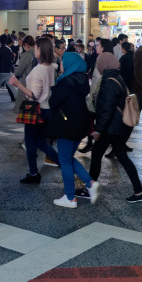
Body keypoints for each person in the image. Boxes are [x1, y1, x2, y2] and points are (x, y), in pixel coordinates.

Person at [89, 53, 142, 203]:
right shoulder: (118, 77)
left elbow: (106, 109)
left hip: (110, 127)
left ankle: (90, 186)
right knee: (122, 157)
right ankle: (139, 191)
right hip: (119, 126)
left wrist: (98, 129)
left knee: (96, 154)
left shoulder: (108, 82)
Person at [46, 52, 99, 208]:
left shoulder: (65, 83)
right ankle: (90, 183)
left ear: (69, 64)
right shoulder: (82, 81)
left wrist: (54, 89)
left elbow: (53, 102)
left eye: (63, 62)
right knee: (68, 157)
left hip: (66, 127)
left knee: (64, 161)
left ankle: (70, 198)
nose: (60, 65)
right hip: (80, 126)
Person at [10, 37, 60, 183]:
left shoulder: (39, 70)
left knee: (31, 142)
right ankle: (61, 164)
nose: (34, 50)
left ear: (41, 50)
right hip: (47, 108)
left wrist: (18, 84)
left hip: (36, 110)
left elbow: (34, 95)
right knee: (40, 141)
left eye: (36, 48)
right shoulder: (51, 66)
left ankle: (33, 173)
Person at [0, 34, 15, 106]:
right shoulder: (9, 50)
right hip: (7, 71)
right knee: (12, 88)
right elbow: (11, 61)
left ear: (0, 41)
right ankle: (18, 98)